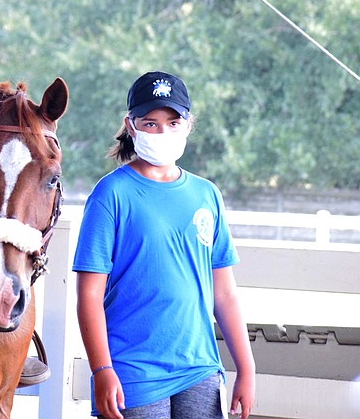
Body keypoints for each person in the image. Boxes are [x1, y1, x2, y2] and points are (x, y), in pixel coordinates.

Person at [72, 71, 256, 419]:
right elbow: (89, 296)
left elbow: (224, 293)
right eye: (151, 123)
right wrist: (101, 370)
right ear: (131, 125)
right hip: (133, 373)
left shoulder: (206, 194)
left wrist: (246, 369)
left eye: (173, 122)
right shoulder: (111, 195)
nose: (163, 132)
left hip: (199, 368)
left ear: (188, 125)